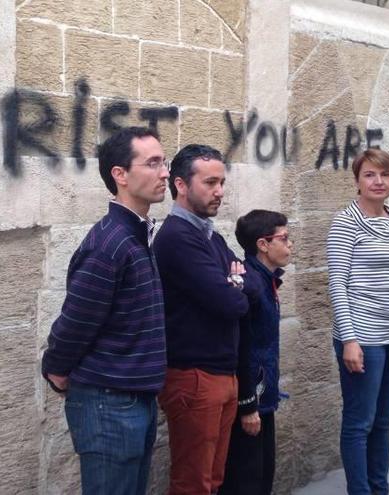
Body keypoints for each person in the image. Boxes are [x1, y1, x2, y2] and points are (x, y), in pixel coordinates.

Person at [40, 127, 170, 494]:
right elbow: (77, 320)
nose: (164, 173)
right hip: (109, 405)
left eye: (164, 162)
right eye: (153, 163)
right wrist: (56, 368)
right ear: (120, 175)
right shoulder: (110, 244)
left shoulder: (137, 235)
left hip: (135, 399)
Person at [153, 144, 261, 494]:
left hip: (220, 374)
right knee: (193, 483)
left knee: (213, 480)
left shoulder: (209, 235)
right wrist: (235, 286)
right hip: (194, 377)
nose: (220, 192)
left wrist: (237, 283)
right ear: (181, 185)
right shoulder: (176, 238)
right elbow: (230, 304)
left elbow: (255, 283)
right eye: (210, 183)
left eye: (222, 183)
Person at [326, 149, 389, 495]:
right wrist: (349, 340)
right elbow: (337, 284)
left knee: (383, 423)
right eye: (369, 174)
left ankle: (379, 489)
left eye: (385, 174)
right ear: (357, 181)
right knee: (359, 423)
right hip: (363, 338)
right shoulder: (345, 222)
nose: (378, 181)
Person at [220, 210, 293, 495]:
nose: (290, 245)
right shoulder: (251, 285)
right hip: (252, 400)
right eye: (284, 238)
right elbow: (245, 349)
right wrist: (248, 405)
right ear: (263, 244)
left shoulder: (264, 280)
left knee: (263, 475)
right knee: (247, 479)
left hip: (264, 397)